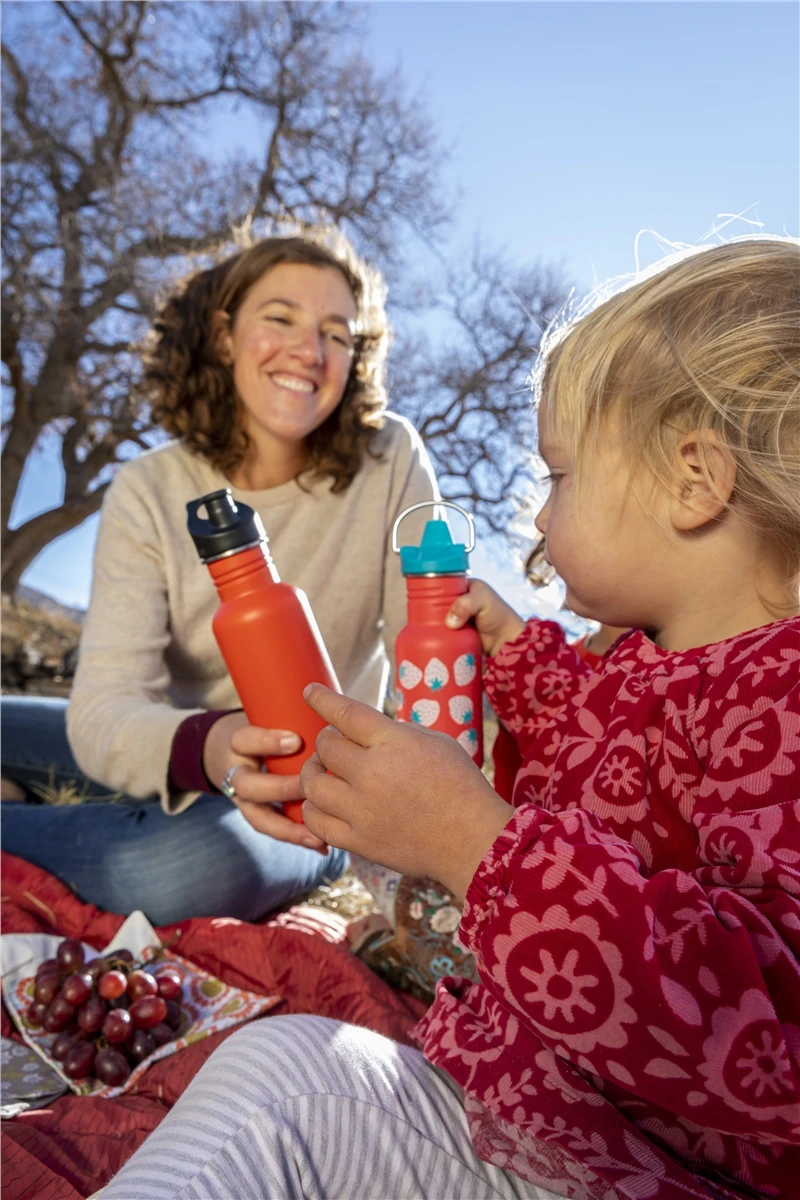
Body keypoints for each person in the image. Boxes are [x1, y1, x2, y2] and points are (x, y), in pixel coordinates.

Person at [101, 236, 799, 1200]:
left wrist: (474, 840)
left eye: (557, 476)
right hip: (561, 1111)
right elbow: (588, 723)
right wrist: (512, 649)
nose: (537, 524)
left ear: (695, 480)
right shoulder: (645, 659)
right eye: (280, 318)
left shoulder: (780, 701)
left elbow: (767, 1022)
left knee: (279, 1079)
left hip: (629, 1162)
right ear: (221, 339)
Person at [1, 229, 437, 926]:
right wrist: (208, 746)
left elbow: (430, 639)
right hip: (186, 749)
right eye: (280, 318)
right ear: (225, 334)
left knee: (174, 869)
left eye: (337, 333)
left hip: (314, 788)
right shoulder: (150, 486)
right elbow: (106, 708)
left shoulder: (391, 458)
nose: (310, 350)